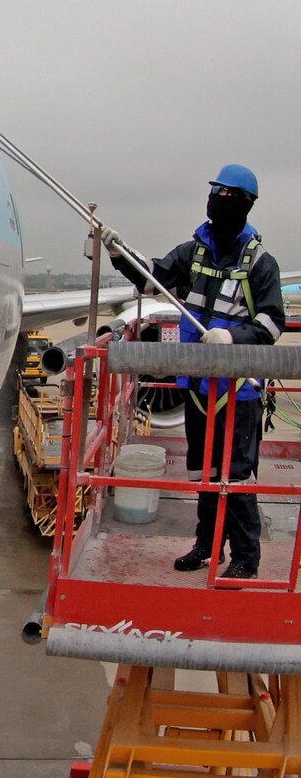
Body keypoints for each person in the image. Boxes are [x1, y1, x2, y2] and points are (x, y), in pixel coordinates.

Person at [102, 165, 284, 579]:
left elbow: (272, 323)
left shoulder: (260, 263)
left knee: (235, 479)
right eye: (215, 192)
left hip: (239, 392)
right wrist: (120, 255)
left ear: (245, 204)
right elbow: (155, 282)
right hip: (201, 388)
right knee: (203, 475)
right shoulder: (195, 252)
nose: (218, 200)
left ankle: (245, 558)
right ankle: (207, 546)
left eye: (227, 195)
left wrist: (232, 337)